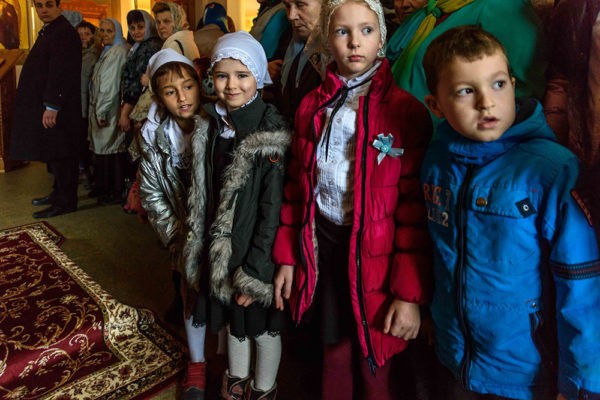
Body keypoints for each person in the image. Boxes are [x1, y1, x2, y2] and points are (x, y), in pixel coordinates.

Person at [420, 26, 600, 400]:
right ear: (435, 105)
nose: (487, 103)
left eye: (498, 84)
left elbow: (580, 280)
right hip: (454, 357)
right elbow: (438, 254)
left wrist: (580, 381)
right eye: (465, 91)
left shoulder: (551, 170)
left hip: (526, 374)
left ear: (514, 84)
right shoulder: (436, 160)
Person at [272, 0, 433, 398]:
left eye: (366, 30)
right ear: (327, 38)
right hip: (326, 247)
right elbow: (296, 187)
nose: (355, 42)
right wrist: (289, 257)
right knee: (333, 346)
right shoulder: (312, 106)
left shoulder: (405, 112)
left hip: (379, 255)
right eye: (342, 31)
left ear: (382, 38)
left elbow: (414, 214)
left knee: (374, 355)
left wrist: (408, 295)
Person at [181, 31, 290, 400]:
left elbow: (271, 208)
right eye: (222, 76)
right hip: (224, 253)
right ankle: (237, 382)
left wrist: (257, 270)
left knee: (262, 328)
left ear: (257, 77)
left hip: (255, 255)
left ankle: (264, 389)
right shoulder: (213, 125)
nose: (231, 85)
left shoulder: (269, 130)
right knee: (234, 323)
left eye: (242, 75)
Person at [138, 48, 205, 400]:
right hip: (182, 232)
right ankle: (197, 362)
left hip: (218, 229)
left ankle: (229, 360)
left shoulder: (216, 123)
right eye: (170, 91)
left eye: (188, 86)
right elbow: (152, 195)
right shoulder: (155, 139)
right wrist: (177, 238)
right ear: (159, 98)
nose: (182, 98)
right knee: (190, 293)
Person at [386, 0, 546, 124]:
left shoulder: (502, 7)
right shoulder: (434, 9)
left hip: (453, 140)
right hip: (403, 133)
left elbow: (524, 88)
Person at [9, 0, 82, 219]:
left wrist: (53, 105)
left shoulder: (64, 32)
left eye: (49, 5)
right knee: (54, 152)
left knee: (62, 154)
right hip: (50, 106)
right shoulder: (51, 30)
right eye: (39, 5)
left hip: (59, 108)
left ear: (59, 6)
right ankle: (58, 193)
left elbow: (61, 71)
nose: (43, 10)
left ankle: (66, 201)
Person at [88, 18, 130, 204]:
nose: (104, 34)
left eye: (109, 31)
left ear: (117, 32)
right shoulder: (107, 51)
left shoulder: (117, 52)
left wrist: (101, 111)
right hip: (102, 106)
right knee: (105, 149)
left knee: (111, 150)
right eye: (102, 30)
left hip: (109, 108)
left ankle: (112, 190)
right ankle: (104, 187)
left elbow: (109, 85)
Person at [273, 0, 324, 124]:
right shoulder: (288, 38)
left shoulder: (338, 54)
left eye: (300, 5)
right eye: (287, 6)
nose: (291, 16)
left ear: (325, 5)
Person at [76, 19, 101, 189]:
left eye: (87, 34)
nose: (83, 37)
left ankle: (89, 174)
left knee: (87, 142)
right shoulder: (75, 54)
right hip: (78, 105)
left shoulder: (95, 55)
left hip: (89, 105)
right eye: (80, 34)